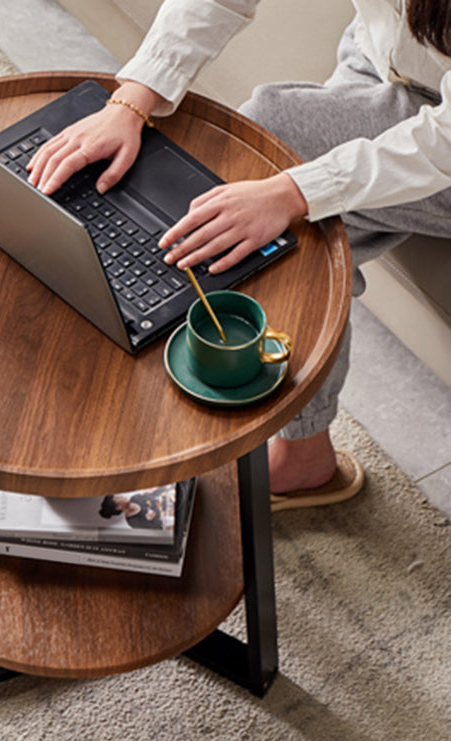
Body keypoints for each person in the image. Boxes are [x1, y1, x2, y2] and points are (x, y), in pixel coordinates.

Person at [28, 0, 451, 506]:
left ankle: (292, 452)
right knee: (275, 235)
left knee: (266, 170)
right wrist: (131, 101)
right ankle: (305, 456)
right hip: (383, 58)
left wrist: (290, 192)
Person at [99, 486, 172, 528]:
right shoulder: (133, 522)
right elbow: (158, 528)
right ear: (118, 507)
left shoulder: (135, 498)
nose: (121, 496)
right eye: (118, 498)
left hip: (171, 501)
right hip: (170, 517)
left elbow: (157, 492)